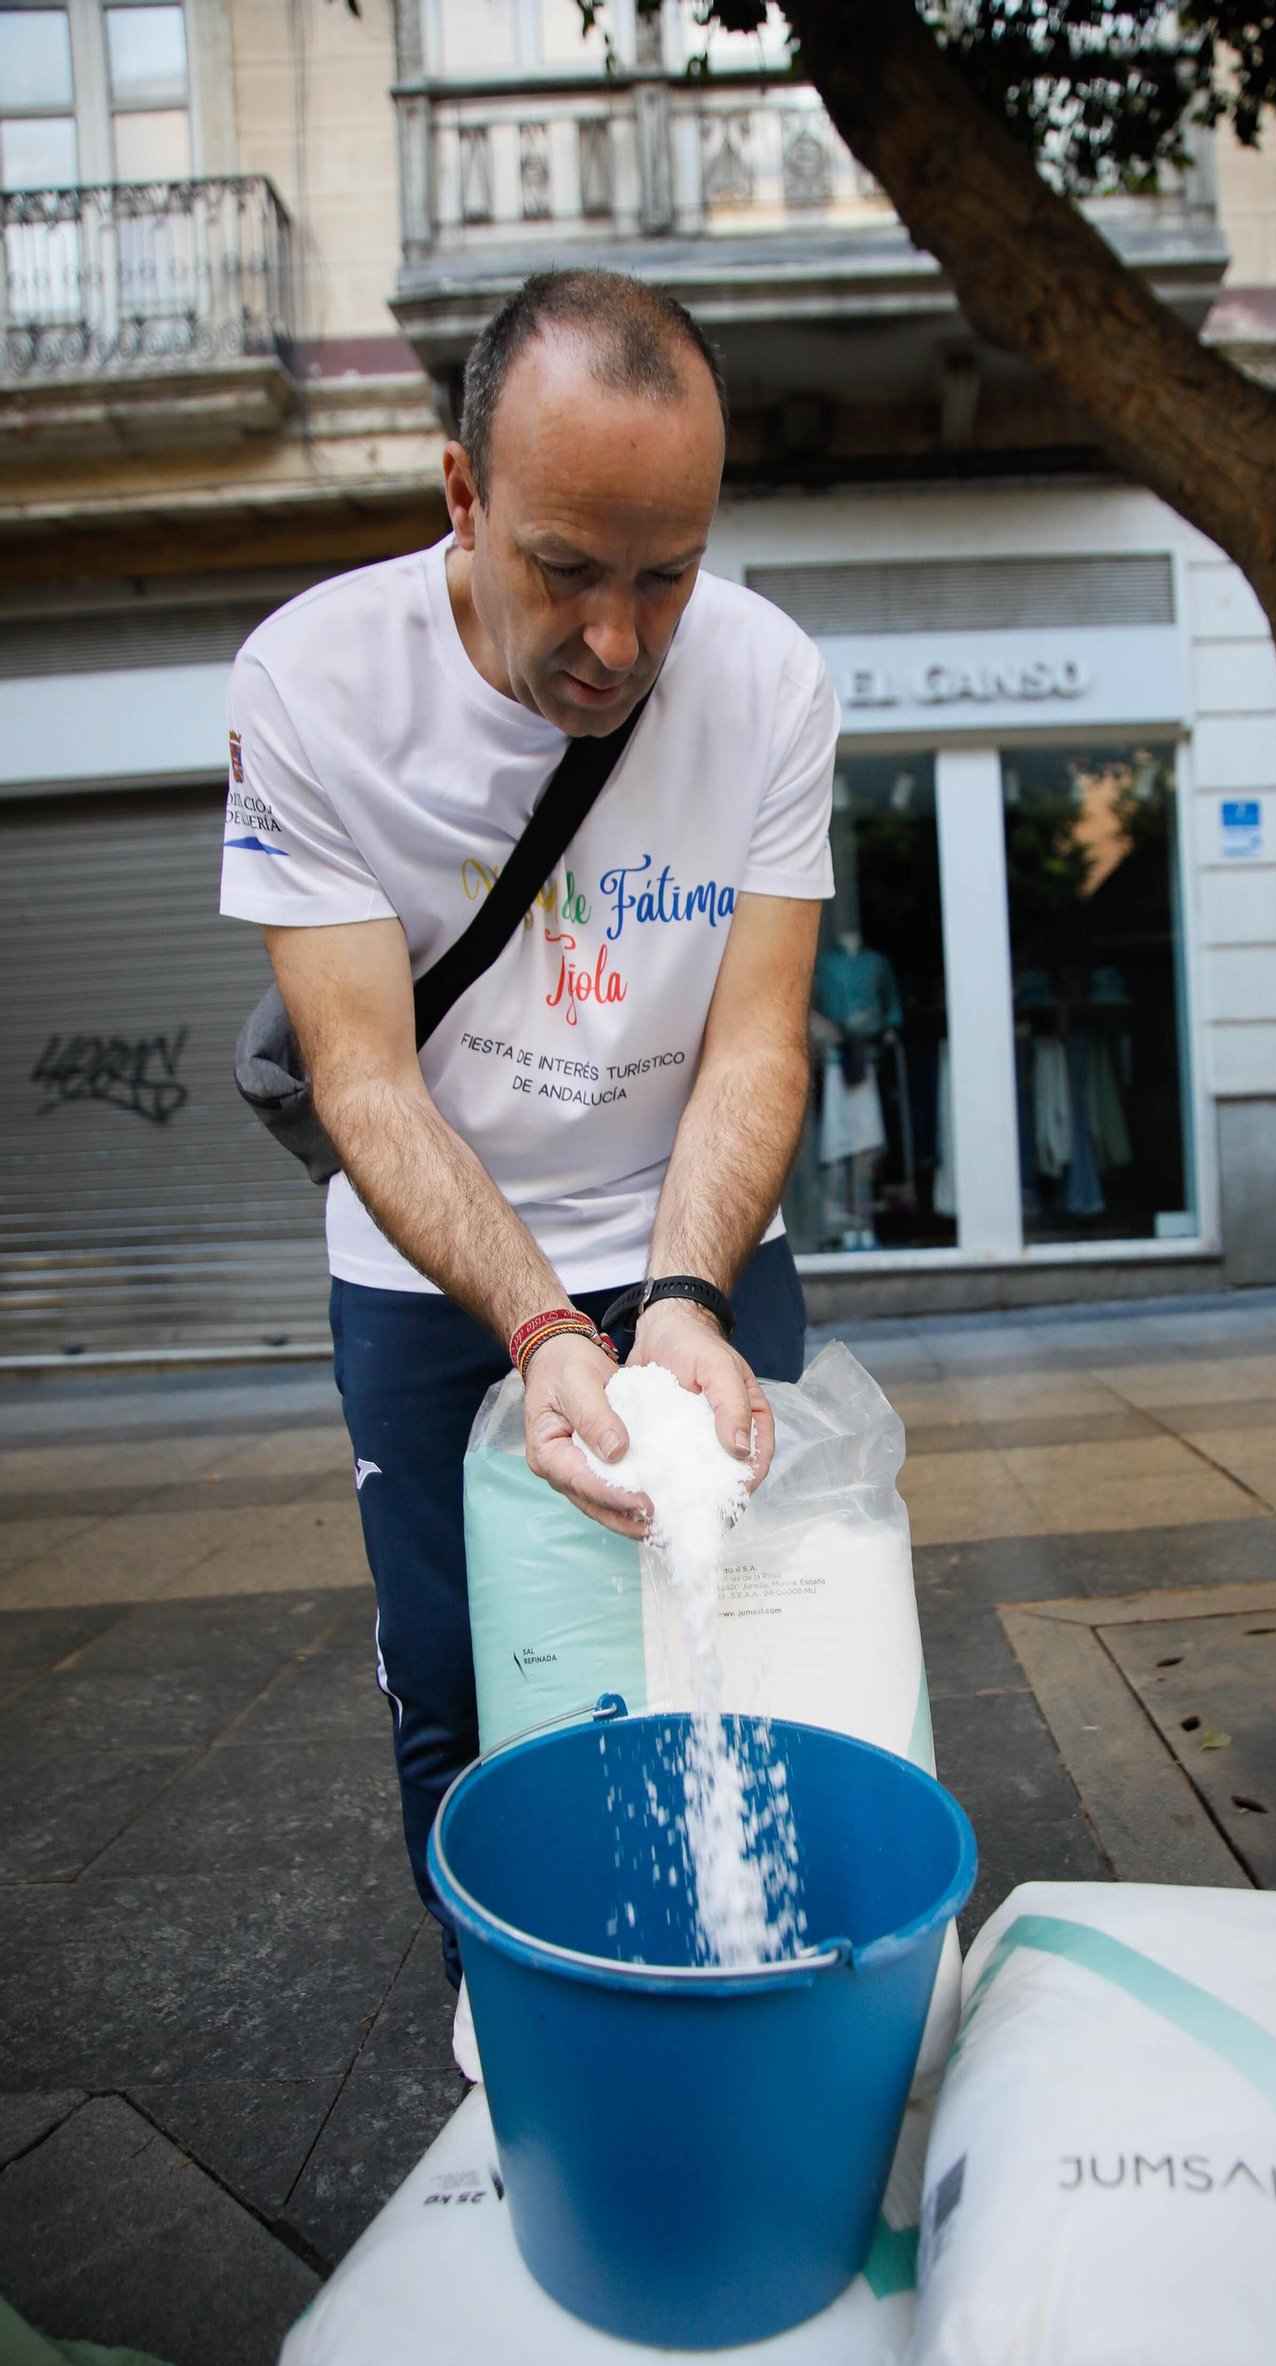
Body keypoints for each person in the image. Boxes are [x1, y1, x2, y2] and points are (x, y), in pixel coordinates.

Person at [219, 268, 837, 1997]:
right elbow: (366, 1082)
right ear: (463, 498)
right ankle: (511, 2017)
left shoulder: (773, 680)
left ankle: (735, 1984)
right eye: (567, 567)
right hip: (431, 1263)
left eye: (669, 573)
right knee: (461, 1672)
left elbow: (755, 1038)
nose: (621, 641)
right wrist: (545, 1323)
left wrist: (682, 1299)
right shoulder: (314, 684)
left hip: (694, 1232)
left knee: (749, 1638)